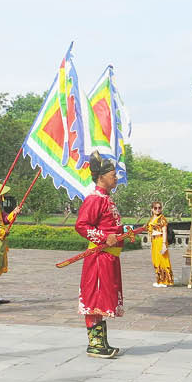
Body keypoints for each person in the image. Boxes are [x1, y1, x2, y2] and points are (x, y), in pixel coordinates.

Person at [74, 151, 124, 359]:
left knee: (102, 297)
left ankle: (101, 343)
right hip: (98, 257)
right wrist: (104, 237)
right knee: (95, 296)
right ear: (101, 177)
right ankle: (94, 344)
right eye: (113, 174)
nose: (116, 177)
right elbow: (81, 225)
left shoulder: (106, 199)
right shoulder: (94, 199)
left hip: (109, 258)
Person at [148, 201, 173, 287]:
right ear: (152, 209)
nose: (157, 210)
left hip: (160, 240)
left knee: (163, 260)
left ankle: (165, 281)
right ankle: (160, 280)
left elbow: (164, 231)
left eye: (159, 208)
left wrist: (164, 244)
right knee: (156, 260)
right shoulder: (152, 218)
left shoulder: (162, 219)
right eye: (155, 208)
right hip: (154, 241)